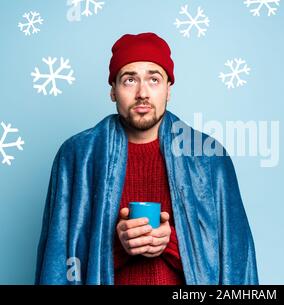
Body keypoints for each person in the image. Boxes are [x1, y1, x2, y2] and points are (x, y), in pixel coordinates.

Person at [35, 32, 258, 285]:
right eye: (130, 80)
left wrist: (172, 242)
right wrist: (117, 245)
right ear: (113, 91)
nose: (142, 92)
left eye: (154, 79)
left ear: (168, 89)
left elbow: (237, 260)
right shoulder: (78, 156)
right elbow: (59, 256)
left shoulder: (209, 158)